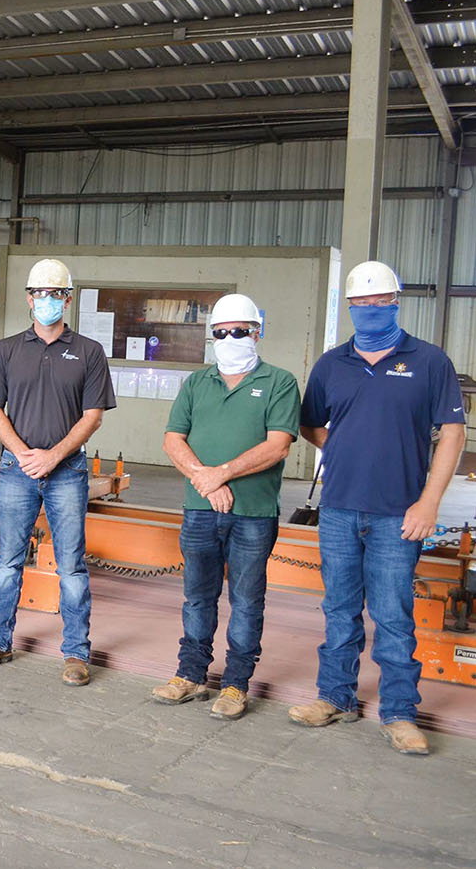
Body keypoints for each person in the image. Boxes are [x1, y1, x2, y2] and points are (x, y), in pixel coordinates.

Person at [291, 261, 466, 755]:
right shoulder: (331, 364)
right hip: (341, 508)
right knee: (340, 609)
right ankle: (335, 697)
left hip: (400, 513)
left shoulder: (430, 362)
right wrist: (344, 449)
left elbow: (452, 433)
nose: (369, 311)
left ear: (396, 301)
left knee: (393, 614)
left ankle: (400, 712)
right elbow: (312, 425)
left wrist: (429, 502)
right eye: (360, 304)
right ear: (349, 308)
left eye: (379, 302)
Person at [150, 294, 300, 719]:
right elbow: (173, 440)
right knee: (197, 596)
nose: (229, 338)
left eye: (239, 330)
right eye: (221, 332)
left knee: (247, 599)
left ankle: (235, 685)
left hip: (253, 513)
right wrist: (204, 477)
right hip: (199, 509)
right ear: (211, 335)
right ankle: (191, 674)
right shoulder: (197, 383)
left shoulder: (280, 381)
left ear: (257, 332)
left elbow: (278, 445)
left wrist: (222, 473)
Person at [0, 258, 115, 685]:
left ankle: (76, 653)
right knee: (8, 562)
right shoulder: (7, 349)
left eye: (54, 293)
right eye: (39, 293)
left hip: (67, 471)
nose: (45, 300)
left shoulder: (89, 352)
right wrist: (24, 453)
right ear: (28, 298)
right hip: (16, 469)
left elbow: (92, 417)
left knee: (71, 567)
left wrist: (52, 456)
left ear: (67, 299)